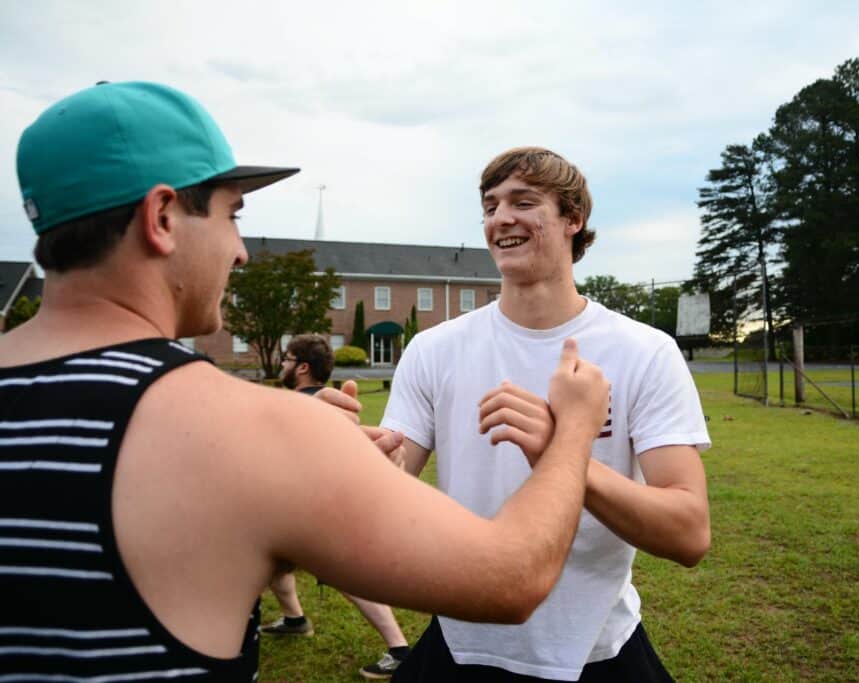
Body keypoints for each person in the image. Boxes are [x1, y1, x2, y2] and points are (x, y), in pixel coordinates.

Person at [0, 83, 611, 682]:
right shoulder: (250, 429)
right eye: (231, 215)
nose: (241, 252)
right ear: (161, 217)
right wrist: (575, 430)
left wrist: (325, 477)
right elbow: (512, 580)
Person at [381, 147, 712, 682]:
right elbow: (390, 490)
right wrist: (354, 461)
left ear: (573, 220)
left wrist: (564, 453)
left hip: (596, 652)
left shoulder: (644, 352)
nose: (500, 219)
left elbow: (689, 533)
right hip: (461, 644)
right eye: (490, 206)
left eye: (524, 202)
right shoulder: (434, 350)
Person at [268, 333, 412, 679]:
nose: (283, 365)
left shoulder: (308, 405)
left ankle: (399, 649)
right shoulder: (323, 404)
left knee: (343, 575)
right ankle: (295, 619)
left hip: (316, 508)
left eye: (287, 359)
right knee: (273, 564)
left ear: (301, 367)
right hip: (296, 507)